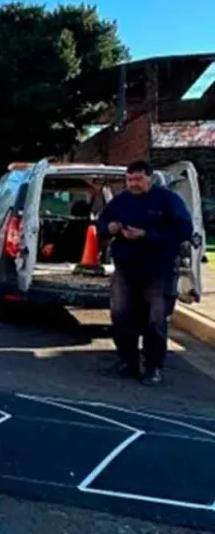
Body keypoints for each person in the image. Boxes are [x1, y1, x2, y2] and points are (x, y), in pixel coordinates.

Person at [96, 160, 193, 386]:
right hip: (126, 267)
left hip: (159, 268)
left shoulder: (167, 200)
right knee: (121, 316)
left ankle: (153, 368)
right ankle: (128, 362)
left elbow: (183, 230)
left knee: (155, 320)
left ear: (150, 178)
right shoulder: (121, 201)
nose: (134, 184)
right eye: (130, 180)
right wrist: (109, 228)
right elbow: (102, 223)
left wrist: (146, 234)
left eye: (138, 179)